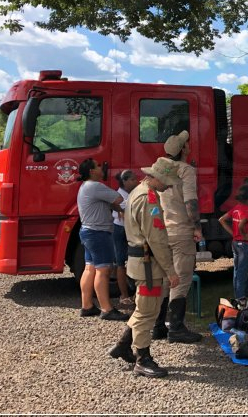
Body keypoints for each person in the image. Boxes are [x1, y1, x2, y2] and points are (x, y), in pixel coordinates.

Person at [107, 157, 181, 378]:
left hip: (142, 263)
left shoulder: (139, 192)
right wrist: (171, 270)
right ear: (156, 177)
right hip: (149, 267)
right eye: (167, 181)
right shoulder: (148, 199)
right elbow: (156, 239)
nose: (169, 185)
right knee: (147, 312)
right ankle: (143, 359)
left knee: (144, 308)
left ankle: (123, 345)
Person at [152, 130, 203, 344]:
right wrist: (197, 227)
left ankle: (157, 326)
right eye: (187, 144)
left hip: (164, 231)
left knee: (165, 280)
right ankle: (176, 328)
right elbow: (191, 203)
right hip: (182, 231)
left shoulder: (160, 167)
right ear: (183, 149)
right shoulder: (186, 170)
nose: (189, 146)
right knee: (181, 281)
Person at [76, 158, 128, 321]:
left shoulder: (85, 186)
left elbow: (110, 202)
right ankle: (107, 309)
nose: (102, 168)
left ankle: (87, 306)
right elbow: (118, 198)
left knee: (89, 268)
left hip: (87, 231)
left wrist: (114, 207)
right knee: (103, 270)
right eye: (98, 166)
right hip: (99, 233)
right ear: (92, 172)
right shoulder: (95, 186)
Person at [219, 184, 248, 299]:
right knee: (242, 273)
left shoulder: (236, 208)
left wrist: (234, 234)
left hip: (235, 243)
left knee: (237, 271)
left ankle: (237, 296)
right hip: (244, 244)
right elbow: (241, 224)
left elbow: (222, 220)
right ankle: (241, 299)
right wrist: (243, 235)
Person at [112, 170, 139, 307]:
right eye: (133, 179)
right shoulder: (120, 197)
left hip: (128, 230)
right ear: (125, 181)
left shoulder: (130, 194)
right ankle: (124, 295)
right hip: (121, 230)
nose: (137, 181)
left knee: (135, 260)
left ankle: (136, 293)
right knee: (121, 262)